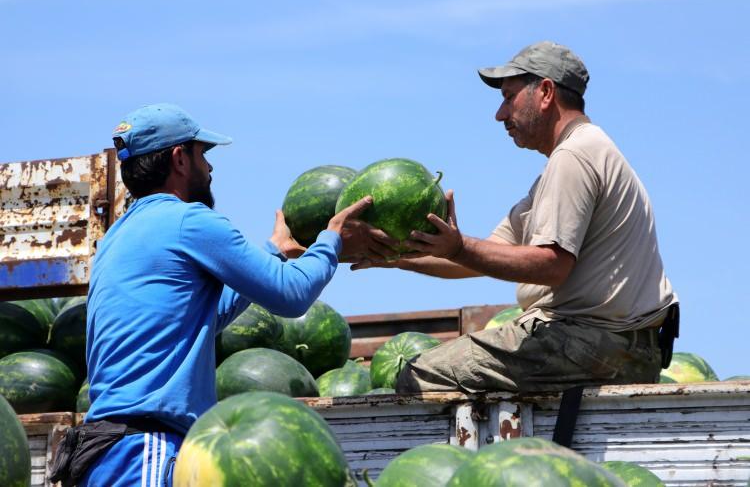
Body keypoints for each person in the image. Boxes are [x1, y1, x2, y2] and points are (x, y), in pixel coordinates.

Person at [50, 103, 393, 487]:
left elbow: (203, 317)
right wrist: (332, 240)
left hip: (110, 448)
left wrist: (273, 252)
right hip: (143, 447)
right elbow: (292, 294)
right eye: (203, 155)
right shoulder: (187, 220)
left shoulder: (119, 236)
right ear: (180, 159)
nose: (210, 168)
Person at [353, 41, 679, 395]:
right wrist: (398, 256)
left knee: (420, 376)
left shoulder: (575, 156)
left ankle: (457, 452)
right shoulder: (570, 159)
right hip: (607, 344)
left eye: (509, 97)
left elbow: (551, 265)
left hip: (595, 343)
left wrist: (459, 247)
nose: (500, 114)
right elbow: (487, 254)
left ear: (545, 92)